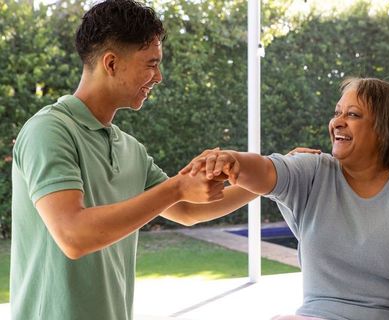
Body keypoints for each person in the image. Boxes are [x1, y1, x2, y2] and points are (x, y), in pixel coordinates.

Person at [10, 1, 257, 319]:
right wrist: (177, 188)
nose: (159, 76)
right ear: (111, 63)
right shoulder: (49, 131)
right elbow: (73, 235)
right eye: (151, 64)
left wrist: (275, 177)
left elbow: (187, 210)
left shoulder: (130, 149)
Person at [181, 77, 389, 320]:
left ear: (384, 127)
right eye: (337, 112)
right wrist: (232, 161)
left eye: (352, 114)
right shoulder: (314, 170)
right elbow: (266, 169)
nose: (337, 122)